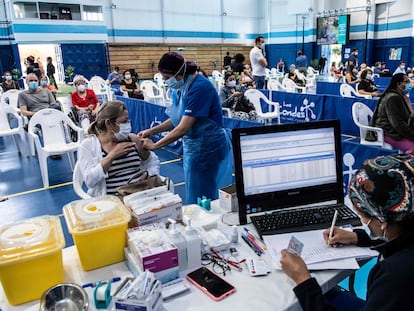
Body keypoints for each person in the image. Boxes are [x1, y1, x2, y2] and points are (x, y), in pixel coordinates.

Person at [280, 153, 414, 311]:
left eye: (363, 216)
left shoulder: (394, 275)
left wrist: (303, 280)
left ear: (382, 221)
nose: (364, 222)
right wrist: (357, 237)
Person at [139, 52, 231, 204]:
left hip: (208, 147)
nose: (165, 81)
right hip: (194, 147)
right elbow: (177, 119)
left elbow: (183, 127)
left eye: (166, 78)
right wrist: (152, 131)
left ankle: (207, 222)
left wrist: (155, 145)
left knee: (205, 195)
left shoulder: (200, 88)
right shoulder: (180, 88)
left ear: (179, 74)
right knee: (195, 190)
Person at [76, 100, 160, 197]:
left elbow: (153, 161)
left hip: (140, 196)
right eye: (124, 121)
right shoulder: (88, 145)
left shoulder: (132, 139)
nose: (128, 124)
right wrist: (111, 156)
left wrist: (150, 173)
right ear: (109, 124)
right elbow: (90, 181)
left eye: (128, 121)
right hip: (112, 202)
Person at [369, 73, 414, 152]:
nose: (409, 84)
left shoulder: (402, 97)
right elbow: (397, 124)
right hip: (387, 132)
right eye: (406, 82)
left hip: (395, 130)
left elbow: (410, 116)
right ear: (398, 84)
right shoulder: (392, 98)